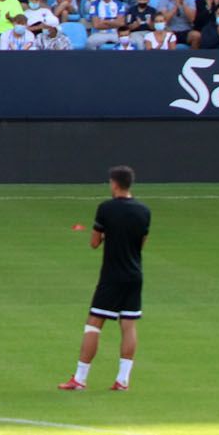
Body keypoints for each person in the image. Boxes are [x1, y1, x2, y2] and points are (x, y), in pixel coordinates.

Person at [59, 165, 151, 393]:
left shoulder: (106, 209)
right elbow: (142, 243)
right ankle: (123, 380)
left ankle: (80, 379)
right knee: (128, 325)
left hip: (111, 277)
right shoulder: (144, 211)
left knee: (93, 325)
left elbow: (94, 242)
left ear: (115, 184)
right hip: (134, 275)